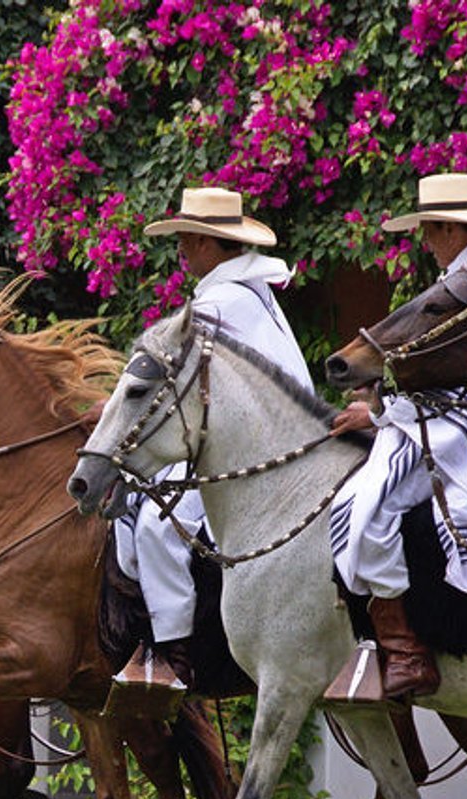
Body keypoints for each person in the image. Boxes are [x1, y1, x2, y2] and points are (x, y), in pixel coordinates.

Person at [327, 172, 467, 698]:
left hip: (459, 430)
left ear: (450, 229)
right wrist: (379, 413)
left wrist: (385, 413)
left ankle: (404, 648)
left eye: (430, 230)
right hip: (452, 419)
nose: (425, 242)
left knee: (360, 510)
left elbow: (449, 378)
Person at [117, 186, 310, 677]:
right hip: (258, 432)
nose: (180, 248)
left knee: (157, 525)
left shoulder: (223, 300)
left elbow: (166, 369)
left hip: (255, 445)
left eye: (186, 238)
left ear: (206, 242)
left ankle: (173, 650)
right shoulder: (248, 289)